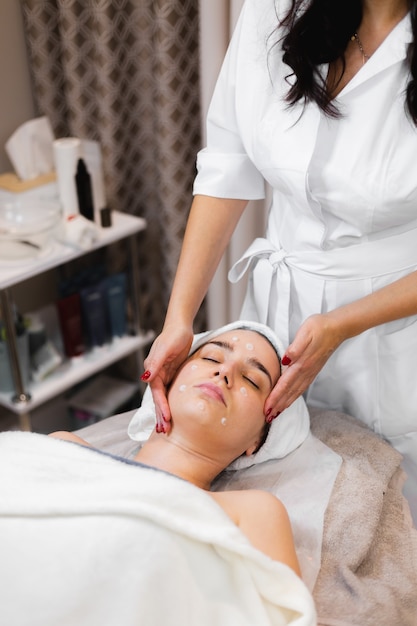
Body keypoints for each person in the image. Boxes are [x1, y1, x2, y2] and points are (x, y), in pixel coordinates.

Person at [140, 0, 417, 524]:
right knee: (271, 475)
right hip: (276, 310)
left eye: (226, 367)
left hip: (395, 326)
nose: (221, 372)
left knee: (383, 514)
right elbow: (227, 166)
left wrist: (343, 323)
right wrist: (180, 320)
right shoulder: (276, 8)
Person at [51, 323, 301, 575]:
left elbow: (283, 611)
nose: (225, 371)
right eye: (211, 358)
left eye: (251, 380)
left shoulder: (254, 513)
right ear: (167, 380)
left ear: (257, 441)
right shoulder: (65, 451)